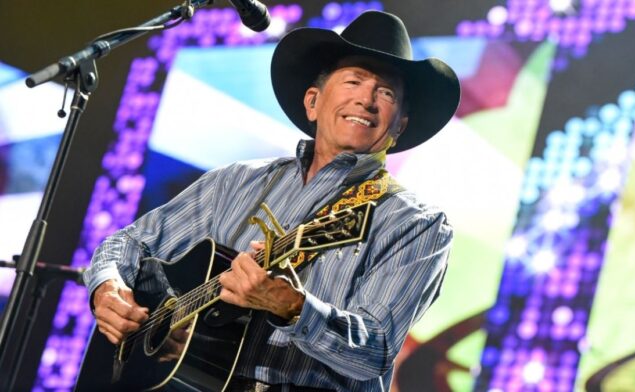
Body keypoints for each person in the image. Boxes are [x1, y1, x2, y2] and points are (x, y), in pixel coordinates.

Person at [83, 10, 460, 391]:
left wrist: (294, 308)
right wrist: (107, 286)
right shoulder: (236, 181)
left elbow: (375, 351)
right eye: (354, 80)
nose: (366, 99)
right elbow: (128, 242)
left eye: (386, 92)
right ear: (313, 102)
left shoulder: (416, 223)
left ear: (400, 125)